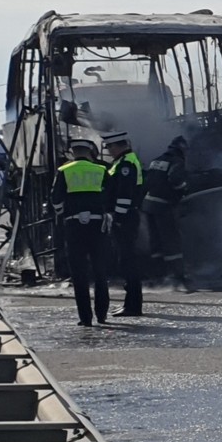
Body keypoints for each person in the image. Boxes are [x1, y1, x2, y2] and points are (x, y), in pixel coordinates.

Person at [49, 137, 112, 326]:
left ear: (73, 152)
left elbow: (55, 200)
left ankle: (85, 318)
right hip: (98, 225)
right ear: (90, 151)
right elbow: (109, 197)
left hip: (74, 225)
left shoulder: (64, 171)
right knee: (100, 270)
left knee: (79, 273)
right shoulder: (101, 170)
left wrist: (64, 214)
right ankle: (102, 314)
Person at [102, 132, 146, 317]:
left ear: (116, 146)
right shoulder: (123, 162)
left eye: (110, 147)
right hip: (125, 217)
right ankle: (130, 303)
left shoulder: (126, 164)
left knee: (128, 262)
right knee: (126, 261)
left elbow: (124, 194)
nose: (109, 151)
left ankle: (133, 306)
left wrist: (118, 218)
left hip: (125, 218)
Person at [142, 135, 191, 291]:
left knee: (156, 242)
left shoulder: (156, 160)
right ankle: (178, 278)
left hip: (148, 205)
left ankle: (158, 276)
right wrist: (183, 191)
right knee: (172, 242)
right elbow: (176, 181)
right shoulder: (177, 162)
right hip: (163, 206)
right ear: (182, 150)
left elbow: (147, 180)